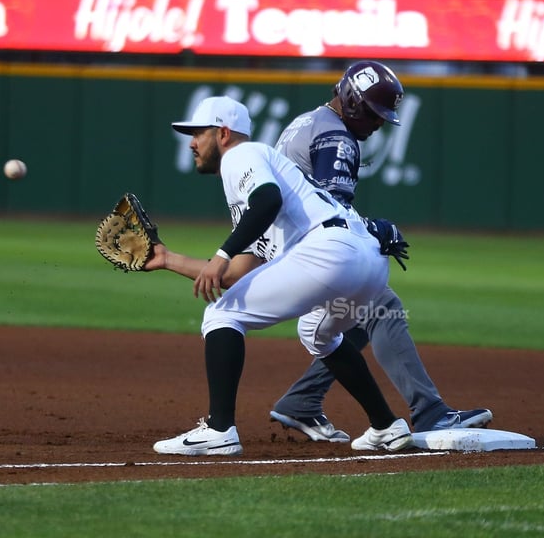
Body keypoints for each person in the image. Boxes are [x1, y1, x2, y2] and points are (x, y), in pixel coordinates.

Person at [146, 95, 413, 455]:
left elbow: (267, 200)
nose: (192, 142)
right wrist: (166, 259)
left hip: (329, 251)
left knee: (221, 314)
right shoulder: (256, 179)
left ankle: (219, 430)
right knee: (317, 334)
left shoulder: (242, 155)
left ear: (223, 133)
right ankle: (386, 425)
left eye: (198, 133)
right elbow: (237, 273)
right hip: (366, 262)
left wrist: (221, 253)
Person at [268, 61, 493, 442]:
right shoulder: (337, 138)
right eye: (375, 114)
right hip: (304, 250)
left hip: (284, 242)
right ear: (354, 104)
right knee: (382, 307)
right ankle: (431, 413)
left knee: (353, 313)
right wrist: (373, 230)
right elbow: (330, 209)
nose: (378, 124)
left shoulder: (310, 121)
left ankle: (301, 401)